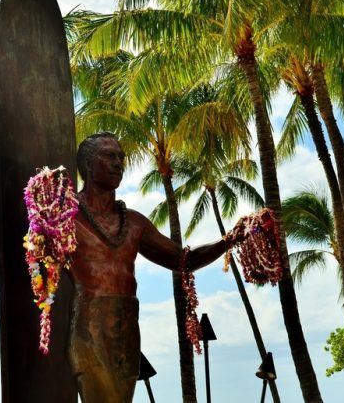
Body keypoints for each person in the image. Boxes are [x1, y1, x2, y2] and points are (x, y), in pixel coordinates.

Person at [68, 132, 242, 403]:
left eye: (121, 157)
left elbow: (184, 260)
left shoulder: (134, 223)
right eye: (110, 156)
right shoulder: (66, 216)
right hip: (90, 324)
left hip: (127, 326)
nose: (118, 163)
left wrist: (229, 240)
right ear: (89, 164)